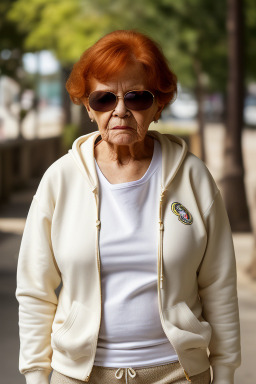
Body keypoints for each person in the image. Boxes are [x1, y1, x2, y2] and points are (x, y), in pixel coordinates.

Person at [16, 30, 241, 384]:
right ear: (89, 107)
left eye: (136, 97)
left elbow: (219, 283)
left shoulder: (194, 177)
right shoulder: (60, 179)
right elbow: (35, 289)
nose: (120, 110)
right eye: (104, 99)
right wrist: (35, 375)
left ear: (159, 104)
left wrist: (225, 371)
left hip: (178, 373)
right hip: (78, 376)